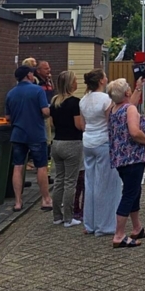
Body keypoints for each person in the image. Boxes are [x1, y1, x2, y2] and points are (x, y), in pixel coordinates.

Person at [107, 78, 145, 248]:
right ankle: (119, 235)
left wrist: (138, 88)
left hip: (119, 158)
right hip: (133, 158)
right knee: (129, 194)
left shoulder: (114, 109)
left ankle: (137, 228)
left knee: (134, 191)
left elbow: (129, 106)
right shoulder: (130, 109)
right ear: (126, 93)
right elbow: (134, 132)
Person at [80, 69, 122, 236]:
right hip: (103, 142)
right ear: (101, 81)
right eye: (105, 76)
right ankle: (105, 225)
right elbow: (110, 124)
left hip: (88, 142)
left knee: (90, 183)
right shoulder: (106, 99)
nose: (107, 77)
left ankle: (89, 224)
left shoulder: (83, 100)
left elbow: (83, 124)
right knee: (105, 184)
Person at [5, 65, 53, 212]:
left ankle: (18, 202)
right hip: (36, 134)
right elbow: (45, 111)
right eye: (32, 74)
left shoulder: (11, 94)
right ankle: (45, 199)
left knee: (18, 167)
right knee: (41, 166)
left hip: (18, 134)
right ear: (28, 75)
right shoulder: (37, 90)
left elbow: (7, 117)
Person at [49, 70, 84, 227]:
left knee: (59, 180)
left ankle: (57, 216)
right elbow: (78, 125)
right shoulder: (75, 102)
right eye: (75, 80)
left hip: (56, 144)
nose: (77, 83)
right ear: (71, 84)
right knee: (71, 182)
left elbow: (52, 124)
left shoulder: (54, 101)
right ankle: (69, 218)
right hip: (72, 144)